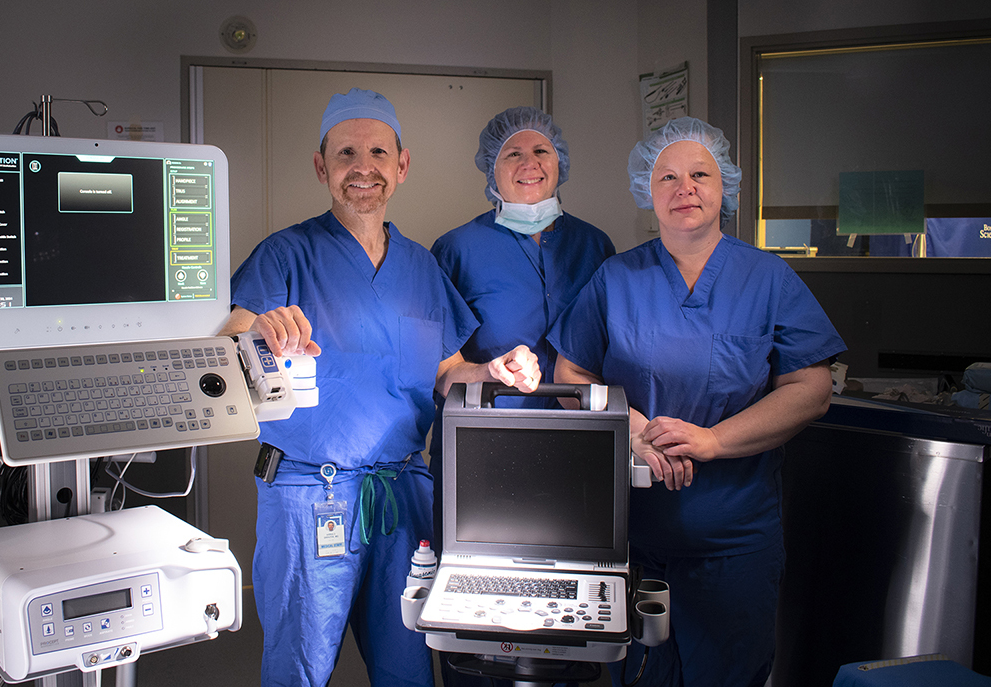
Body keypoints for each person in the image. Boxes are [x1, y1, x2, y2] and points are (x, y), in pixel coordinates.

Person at [220, 88, 540, 687]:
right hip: (309, 494)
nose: (362, 167)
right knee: (299, 667)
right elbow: (226, 345)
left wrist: (493, 371)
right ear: (322, 167)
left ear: (402, 165)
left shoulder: (421, 267)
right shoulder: (285, 254)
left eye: (377, 153)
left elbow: (445, 371)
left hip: (401, 493)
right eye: (345, 153)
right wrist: (258, 330)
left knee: (407, 666)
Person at [549, 117, 845, 687]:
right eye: (667, 177)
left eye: (700, 175)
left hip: (733, 541)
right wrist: (635, 431)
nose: (684, 188)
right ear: (648, 191)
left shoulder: (768, 278)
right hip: (631, 537)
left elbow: (812, 389)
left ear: (724, 186)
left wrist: (712, 441)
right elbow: (573, 371)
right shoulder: (617, 278)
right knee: (640, 675)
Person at [427, 106, 614, 687]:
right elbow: (440, 371)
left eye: (541, 151)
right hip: (484, 458)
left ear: (560, 162)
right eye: (513, 153)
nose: (528, 163)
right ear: (491, 167)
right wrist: (491, 370)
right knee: (481, 623)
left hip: (580, 457)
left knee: (575, 619)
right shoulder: (456, 249)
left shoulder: (595, 245)